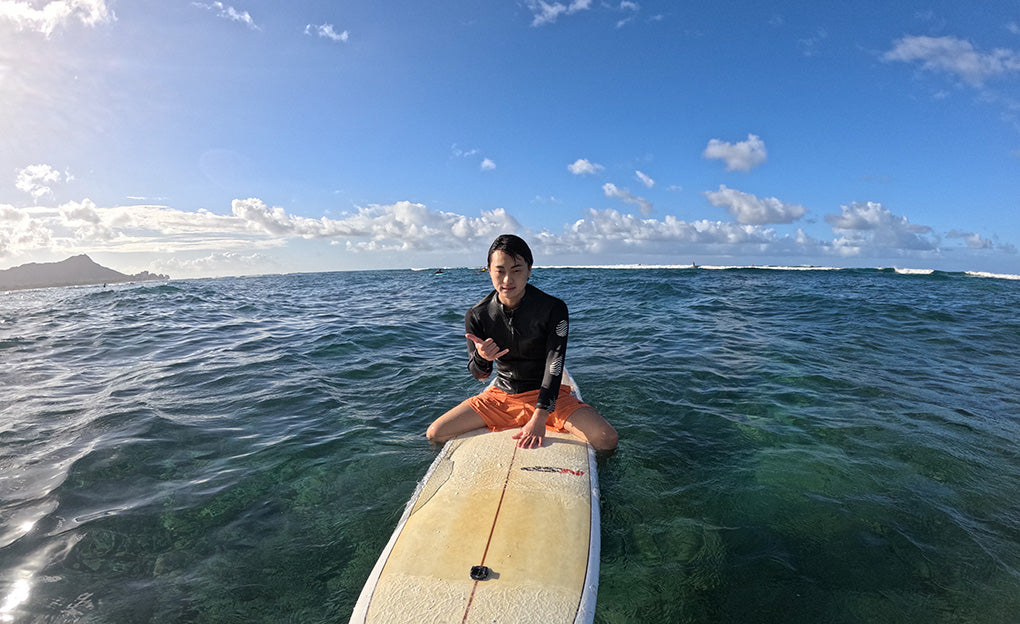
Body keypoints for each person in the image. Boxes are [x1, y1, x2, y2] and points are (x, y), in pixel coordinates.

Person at [426, 234, 618, 451]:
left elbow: (555, 363)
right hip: (502, 397)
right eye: (500, 271)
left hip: (547, 397)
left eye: (516, 270)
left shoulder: (553, 308)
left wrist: (539, 417)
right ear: (488, 270)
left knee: (606, 439)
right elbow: (480, 375)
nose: (507, 280)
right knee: (435, 433)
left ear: (529, 269)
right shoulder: (477, 315)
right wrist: (482, 357)